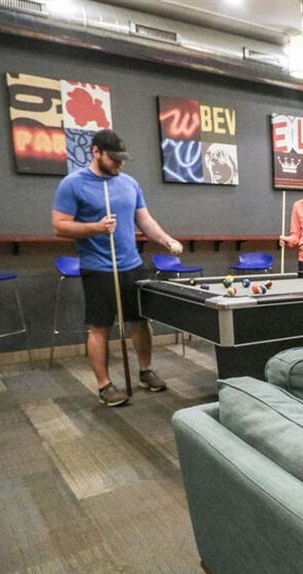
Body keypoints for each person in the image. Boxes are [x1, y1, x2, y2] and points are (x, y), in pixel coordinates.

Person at [52, 129, 184, 407]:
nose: (119, 165)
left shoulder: (129, 184)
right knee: (99, 328)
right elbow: (59, 226)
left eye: (122, 160)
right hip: (98, 267)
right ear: (96, 152)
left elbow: (144, 220)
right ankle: (104, 385)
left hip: (131, 265)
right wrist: (95, 227)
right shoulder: (72, 184)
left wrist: (166, 239)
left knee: (140, 321)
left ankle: (145, 371)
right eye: (114, 159)